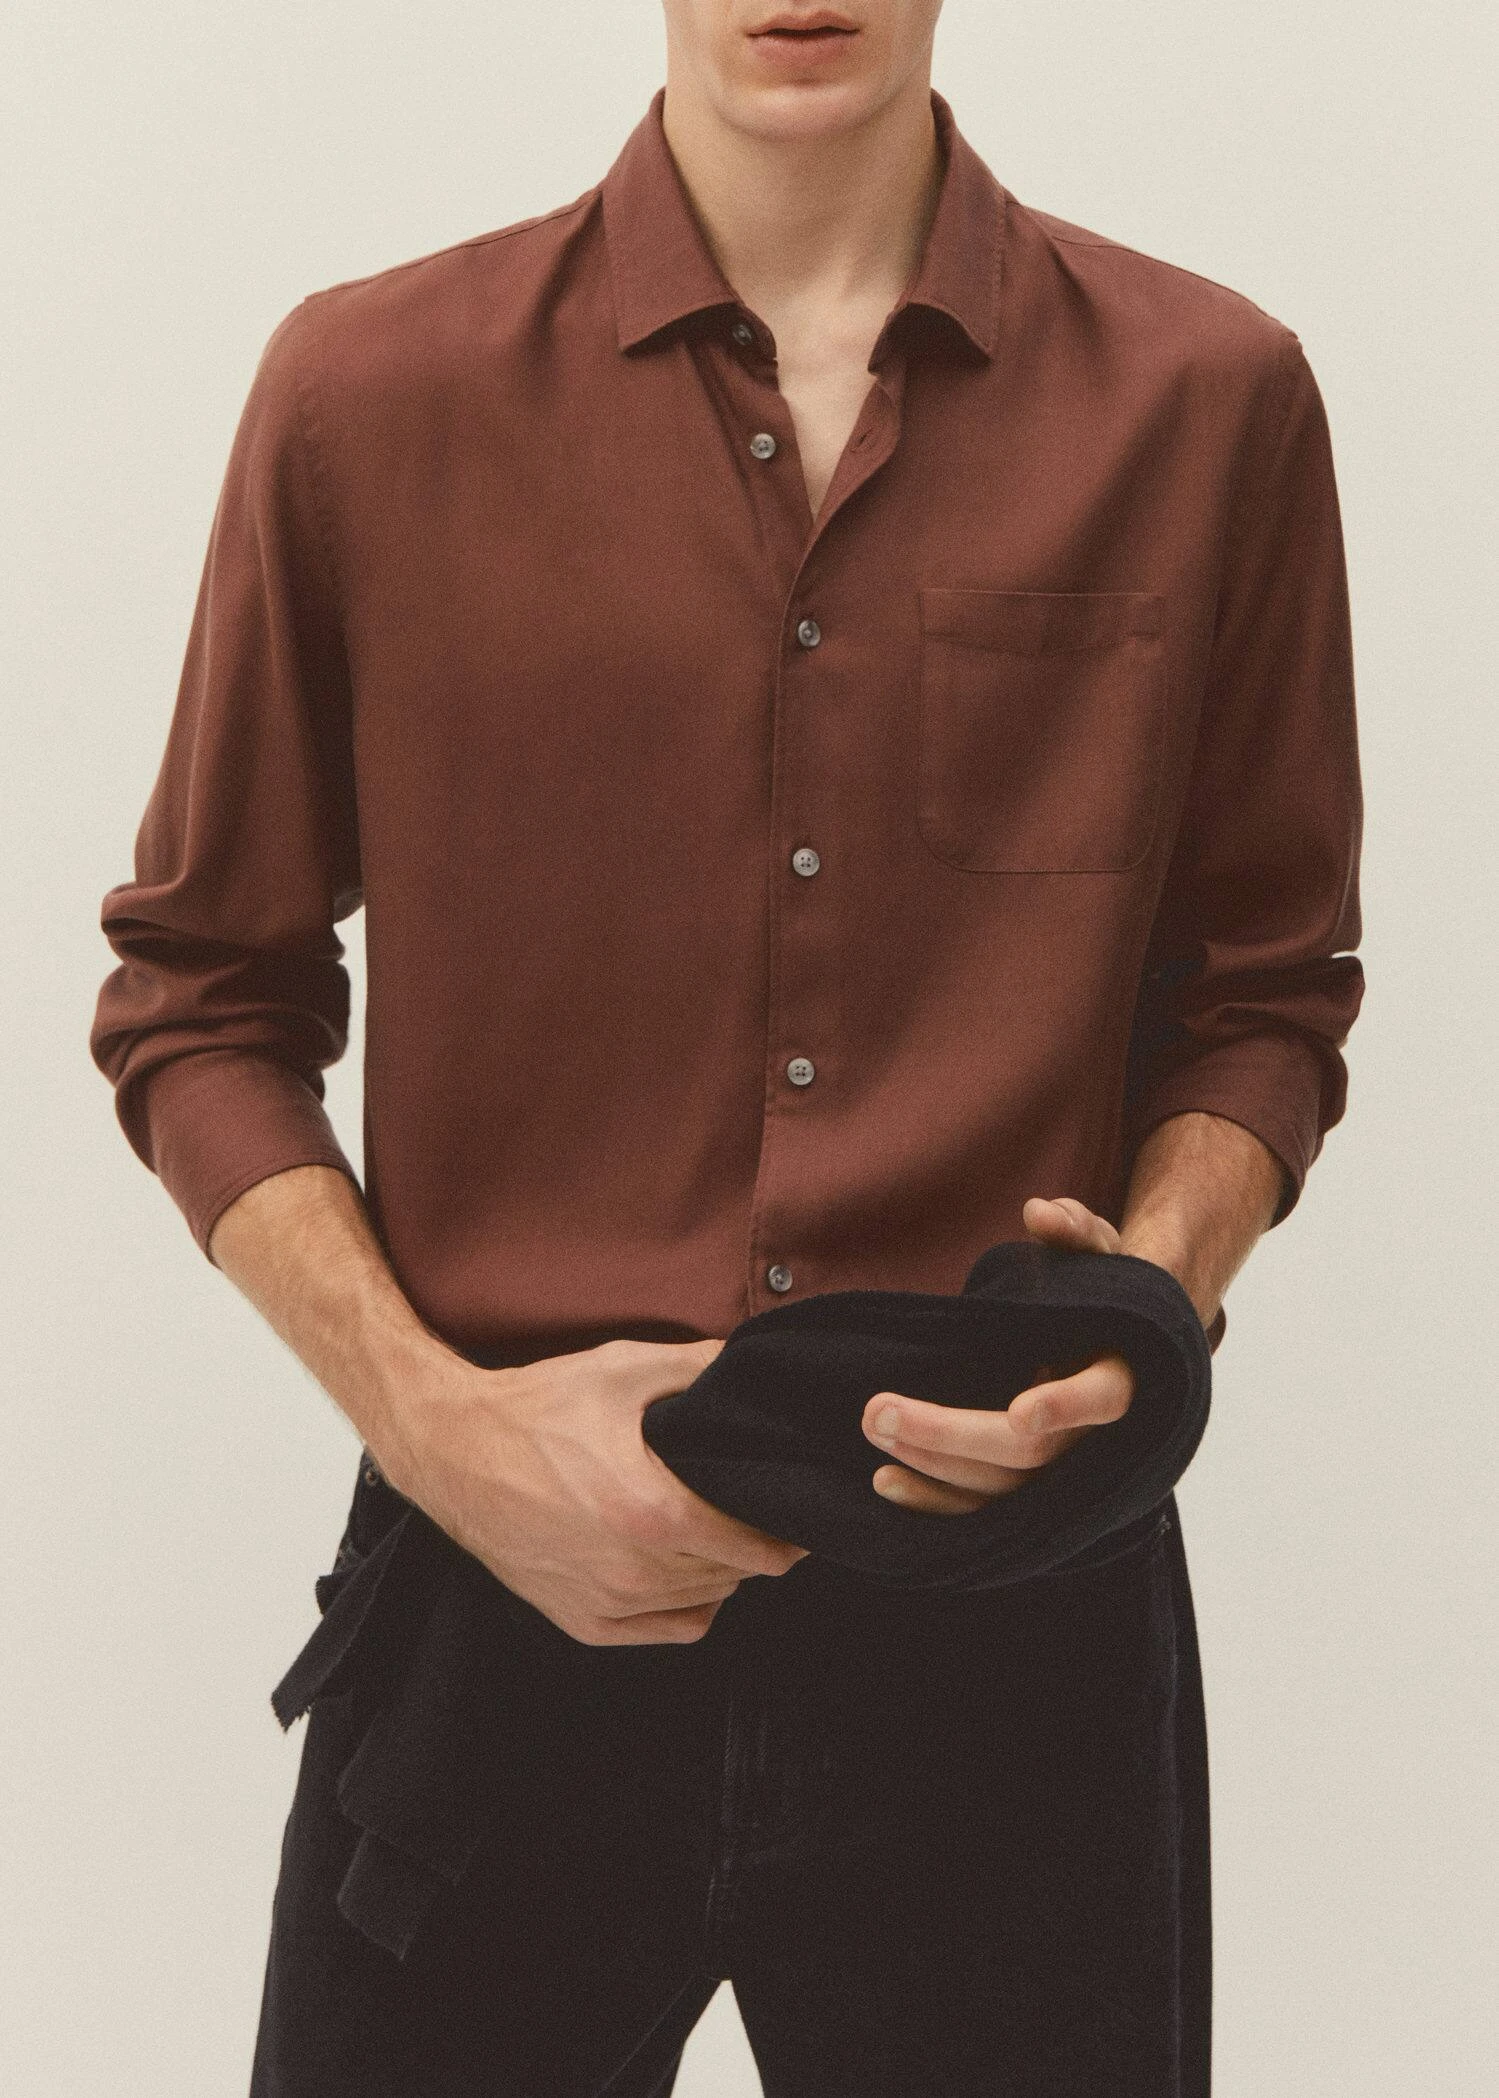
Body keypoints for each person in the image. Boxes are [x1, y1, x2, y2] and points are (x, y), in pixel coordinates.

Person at [88, 4, 1365, 2092]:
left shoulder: (1205, 397)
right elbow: (200, 991)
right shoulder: (363, 395)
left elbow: (1264, 991)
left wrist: (1150, 1293)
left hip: (1014, 1635)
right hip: (495, 1607)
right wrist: (438, 1427)